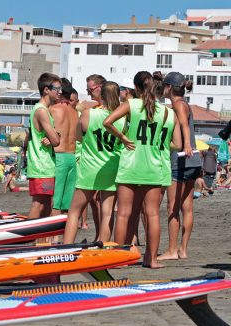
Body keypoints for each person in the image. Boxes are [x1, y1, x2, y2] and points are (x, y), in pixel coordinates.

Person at [103, 71, 182, 268]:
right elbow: (178, 144)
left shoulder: (131, 105)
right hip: (154, 166)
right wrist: (160, 143)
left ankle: (119, 259)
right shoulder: (167, 112)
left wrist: (123, 138)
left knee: (123, 213)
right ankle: (152, 259)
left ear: (136, 88)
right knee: (152, 214)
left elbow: (107, 122)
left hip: (131, 163)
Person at [63, 81, 123, 244]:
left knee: (74, 211)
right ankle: (102, 247)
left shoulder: (89, 114)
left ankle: (67, 246)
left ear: (101, 95)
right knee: (108, 212)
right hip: (111, 165)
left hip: (89, 166)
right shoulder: (121, 118)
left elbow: (78, 137)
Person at [157, 72, 201, 261]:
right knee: (187, 207)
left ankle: (173, 250)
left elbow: (183, 126)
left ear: (168, 87)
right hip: (192, 162)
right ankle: (182, 250)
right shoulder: (184, 104)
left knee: (172, 207)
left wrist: (187, 146)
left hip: (181, 159)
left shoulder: (178, 105)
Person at [25, 73, 61, 219]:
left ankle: (41, 240)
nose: (60, 92)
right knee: (39, 204)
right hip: (42, 165)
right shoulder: (41, 110)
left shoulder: (41, 109)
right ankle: (31, 237)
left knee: (46, 203)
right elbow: (56, 140)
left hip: (43, 164)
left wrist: (53, 136)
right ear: (46, 89)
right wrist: (55, 136)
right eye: (57, 89)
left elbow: (52, 137)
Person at [49, 78, 78, 217]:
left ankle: (51, 238)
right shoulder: (74, 113)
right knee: (67, 205)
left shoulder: (53, 109)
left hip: (59, 156)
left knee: (55, 202)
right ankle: (62, 237)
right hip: (72, 157)